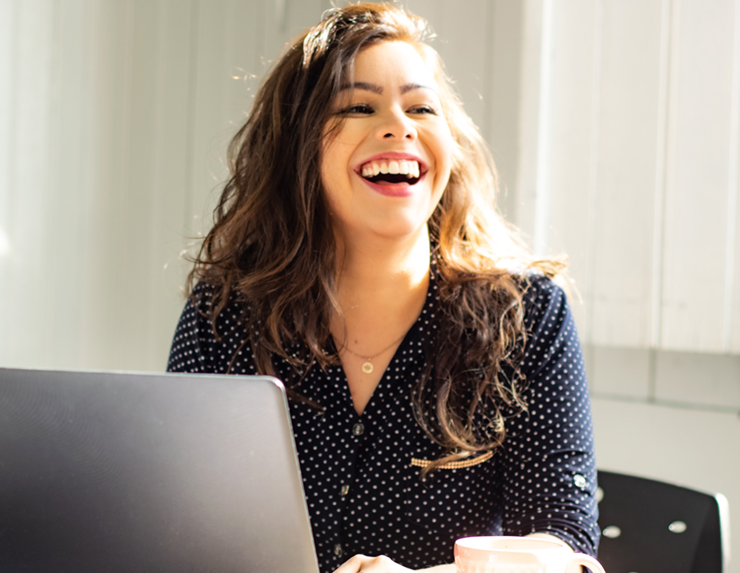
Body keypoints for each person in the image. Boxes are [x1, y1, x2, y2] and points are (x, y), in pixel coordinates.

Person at [166, 3, 599, 573]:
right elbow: (172, 527)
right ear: (300, 148)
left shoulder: (528, 317)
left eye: (422, 106)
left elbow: (563, 547)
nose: (400, 125)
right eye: (359, 107)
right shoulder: (225, 314)